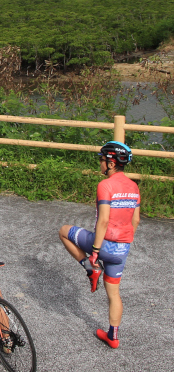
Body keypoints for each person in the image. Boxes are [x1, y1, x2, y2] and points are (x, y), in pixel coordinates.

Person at [59, 141, 140, 349]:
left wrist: (94, 253)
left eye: (102, 160)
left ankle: (89, 267)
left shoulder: (105, 185)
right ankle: (113, 336)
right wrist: (125, 242)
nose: (100, 164)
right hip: (122, 249)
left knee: (64, 231)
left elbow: (103, 220)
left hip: (104, 244)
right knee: (114, 293)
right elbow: (135, 221)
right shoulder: (133, 187)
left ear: (112, 163)